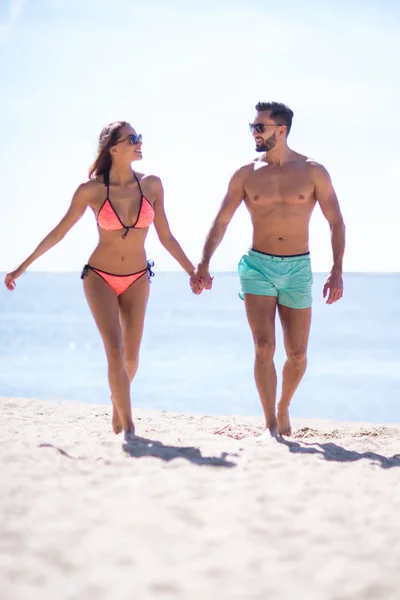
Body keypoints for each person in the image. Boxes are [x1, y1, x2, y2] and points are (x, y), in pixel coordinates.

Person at [5, 120, 200, 441]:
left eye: (140, 137)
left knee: (132, 359)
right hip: (99, 277)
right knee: (114, 352)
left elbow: (166, 237)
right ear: (113, 148)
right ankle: (130, 429)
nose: (140, 142)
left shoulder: (152, 185)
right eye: (133, 139)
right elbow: (59, 231)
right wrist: (22, 267)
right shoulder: (92, 191)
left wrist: (193, 270)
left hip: (138, 277)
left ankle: (117, 407)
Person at [192, 102, 345, 438]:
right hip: (257, 265)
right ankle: (271, 425)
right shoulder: (246, 174)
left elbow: (335, 221)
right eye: (253, 127)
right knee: (263, 347)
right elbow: (222, 220)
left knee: (298, 354)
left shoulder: (313, 171)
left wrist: (337, 270)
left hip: (298, 268)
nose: (254, 133)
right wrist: (203, 261)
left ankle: (283, 405)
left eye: (259, 127)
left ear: (282, 130)